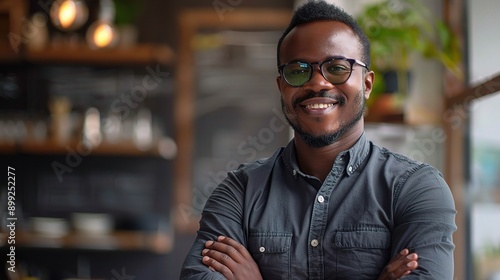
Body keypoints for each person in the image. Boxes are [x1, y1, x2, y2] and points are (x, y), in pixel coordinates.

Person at [180, 1, 457, 279]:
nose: (317, 83)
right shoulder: (239, 192)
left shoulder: (415, 189)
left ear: (367, 84)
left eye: (337, 68)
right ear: (282, 86)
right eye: (298, 70)